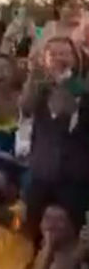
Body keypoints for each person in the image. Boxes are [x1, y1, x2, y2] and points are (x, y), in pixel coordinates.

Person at [21, 36, 89, 237]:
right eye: (54, 54)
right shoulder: (38, 88)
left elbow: (66, 108)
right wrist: (35, 78)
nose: (59, 58)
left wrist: (66, 82)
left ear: (76, 59)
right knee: (33, 230)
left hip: (74, 178)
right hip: (41, 174)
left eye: (64, 53)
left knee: (71, 233)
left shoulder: (82, 89)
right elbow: (25, 107)